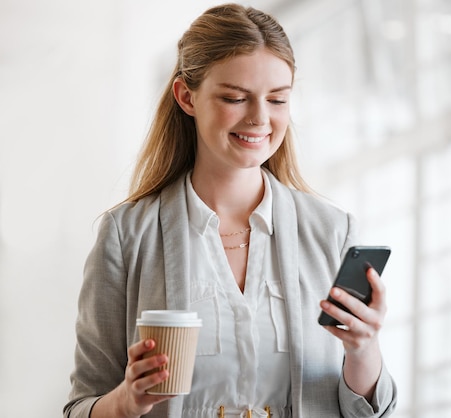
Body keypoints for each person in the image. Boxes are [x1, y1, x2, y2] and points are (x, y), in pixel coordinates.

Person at [64, 3, 398, 418]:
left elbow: (367, 410)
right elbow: (82, 407)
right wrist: (127, 401)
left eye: (277, 99)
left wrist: (363, 348)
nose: (260, 118)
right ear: (187, 96)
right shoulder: (127, 235)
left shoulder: (332, 232)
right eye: (236, 98)